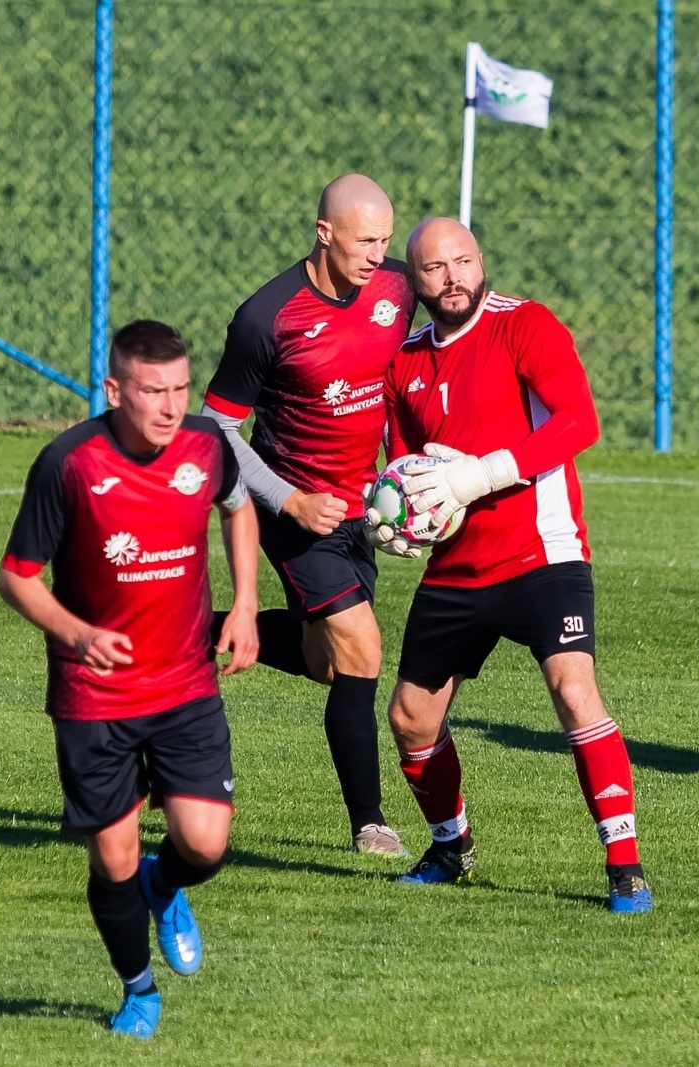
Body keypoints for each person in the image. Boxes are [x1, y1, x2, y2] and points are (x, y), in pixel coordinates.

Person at [369, 217, 654, 914]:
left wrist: (479, 476)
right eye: (436, 269)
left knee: (574, 691)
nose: (454, 277)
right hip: (458, 569)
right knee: (410, 718)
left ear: (480, 261)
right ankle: (451, 847)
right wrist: (398, 517)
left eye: (463, 261)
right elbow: (404, 466)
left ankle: (624, 865)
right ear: (416, 281)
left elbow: (577, 422)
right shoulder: (404, 362)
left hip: (541, 553)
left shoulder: (523, 323)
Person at [0, 320, 259, 1039]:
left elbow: (238, 507)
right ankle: (138, 989)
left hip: (184, 683)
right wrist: (77, 633)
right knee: (111, 854)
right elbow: (15, 577)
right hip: (94, 694)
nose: (171, 406)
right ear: (115, 390)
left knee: (204, 842)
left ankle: (165, 883)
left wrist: (243, 602)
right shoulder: (69, 463)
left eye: (180, 388)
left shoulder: (207, 445)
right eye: (153, 391)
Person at [201, 174, 414, 856]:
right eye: (364, 240)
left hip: (363, 510)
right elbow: (215, 431)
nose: (378, 254)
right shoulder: (266, 318)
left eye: (386, 239)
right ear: (325, 233)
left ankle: (189, 635)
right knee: (363, 647)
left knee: (330, 663)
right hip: (295, 509)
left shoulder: (399, 289)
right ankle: (371, 822)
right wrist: (288, 499)